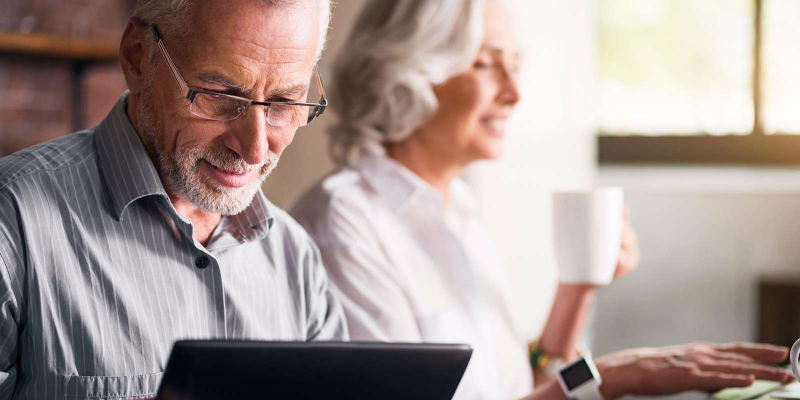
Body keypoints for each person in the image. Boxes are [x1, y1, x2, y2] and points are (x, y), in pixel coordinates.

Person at [289, 1, 794, 399]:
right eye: (487, 64)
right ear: (408, 71)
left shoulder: (458, 210)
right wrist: (621, 376)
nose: (515, 93)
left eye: (515, 66)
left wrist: (578, 286)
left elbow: (526, 391)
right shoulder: (345, 224)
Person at [0, 0, 346, 398]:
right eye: (220, 96)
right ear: (137, 59)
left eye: (285, 104)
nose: (254, 149)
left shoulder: (295, 258)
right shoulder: (13, 224)